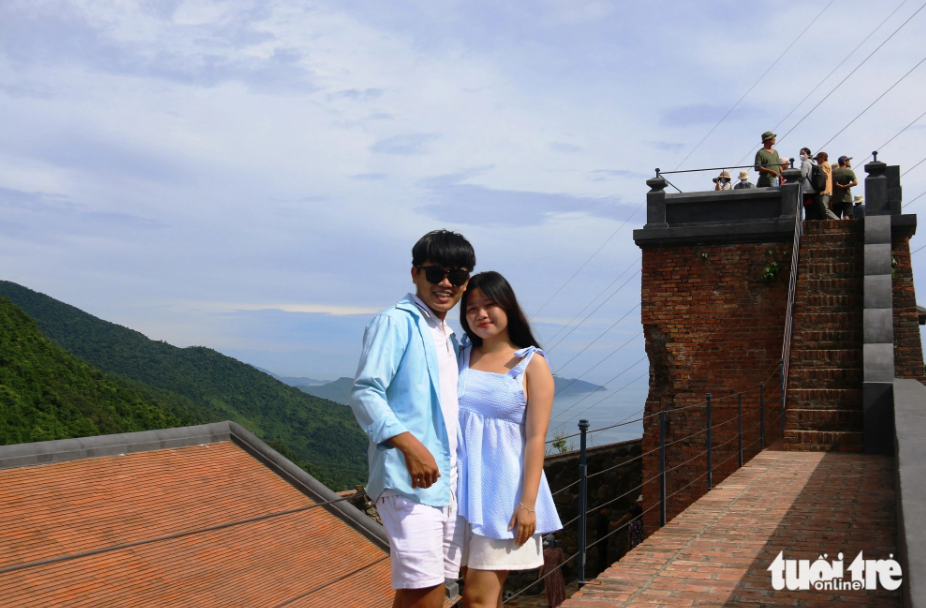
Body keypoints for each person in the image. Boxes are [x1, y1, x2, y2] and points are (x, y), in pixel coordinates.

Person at [349, 230, 475, 608]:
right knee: (427, 591)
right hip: (408, 480)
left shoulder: (449, 335)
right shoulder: (396, 322)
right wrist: (411, 446)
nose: (446, 283)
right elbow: (365, 392)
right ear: (415, 274)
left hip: (448, 484)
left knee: (424, 590)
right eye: (435, 273)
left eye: (458, 276)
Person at [456, 271, 563, 608]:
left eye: (489, 305)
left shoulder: (532, 363)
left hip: (502, 495)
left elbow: (535, 437)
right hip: (459, 491)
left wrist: (528, 504)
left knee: (476, 598)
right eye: (471, 308)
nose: (480, 314)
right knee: (486, 597)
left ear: (508, 307)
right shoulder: (459, 355)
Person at [799, 147, 827, 221]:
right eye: (800, 154)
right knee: (817, 207)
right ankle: (823, 220)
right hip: (814, 189)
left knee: (808, 208)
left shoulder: (805, 163)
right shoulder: (813, 163)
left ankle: (809, 221)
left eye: (803, 153)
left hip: (807, 190)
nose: (801, 155)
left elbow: (803, 175)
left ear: (808, 155)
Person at [815, 152, 840, 220]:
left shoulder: (823, 165)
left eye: (818, 158)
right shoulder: (826, 165)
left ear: (823, 158)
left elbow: (823, 176)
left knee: (824, 209)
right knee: (822, 209)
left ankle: (837, 220)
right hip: (827, 190)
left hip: (824, 191)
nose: (817, 160)